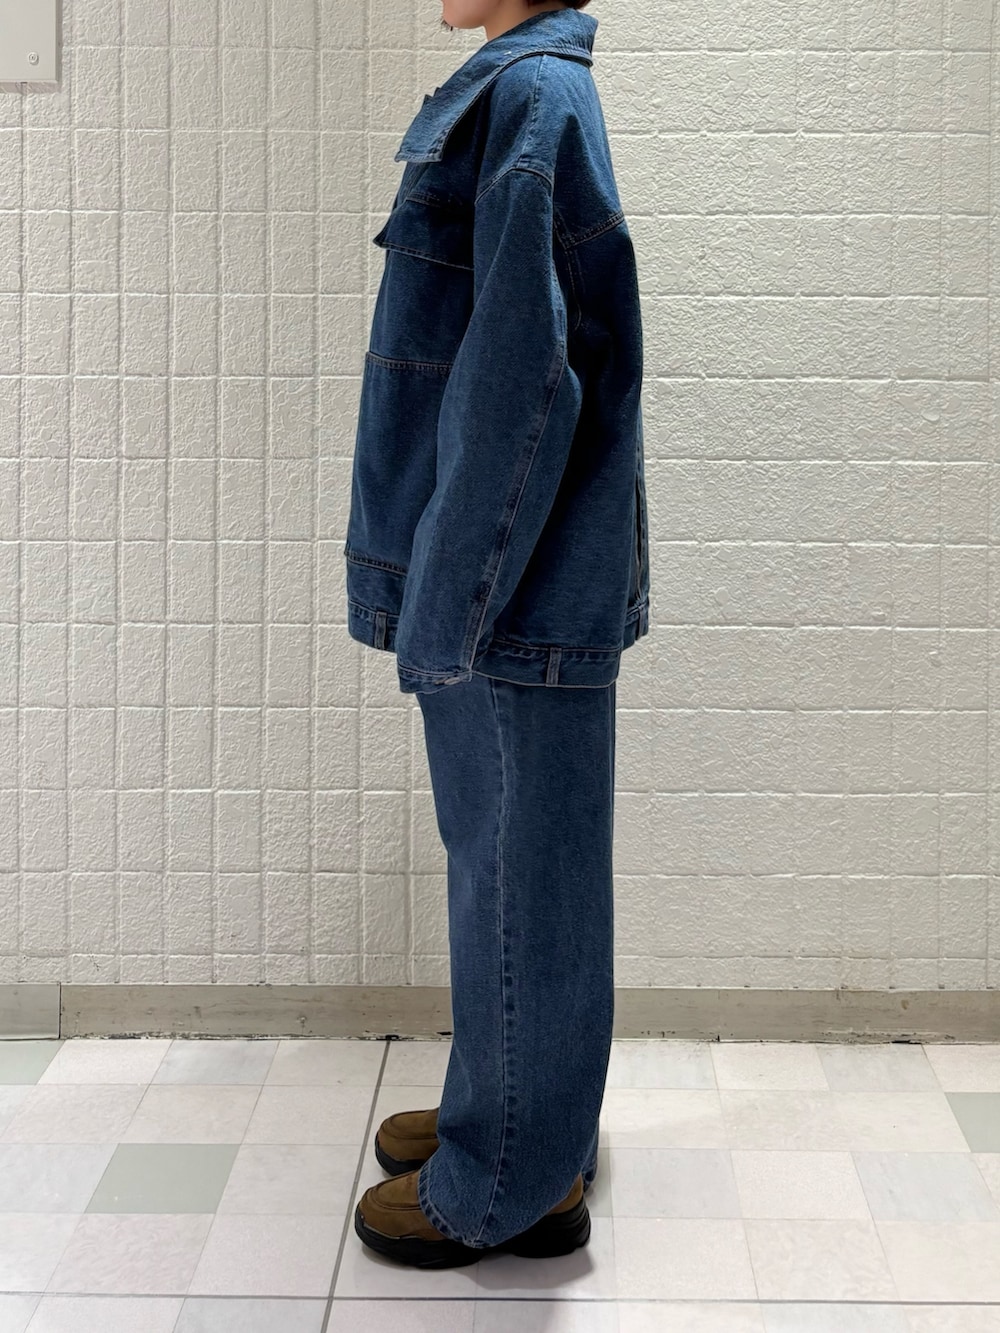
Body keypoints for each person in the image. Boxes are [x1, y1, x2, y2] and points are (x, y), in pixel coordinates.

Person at [347, 0, 649, 1270]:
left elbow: (523, 376)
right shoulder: (525, 92)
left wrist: (458, 595)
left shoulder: (528, 102)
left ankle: (510, 1182)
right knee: (516, 875)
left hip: (510, 586)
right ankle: (522, 1115)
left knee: (520, 884)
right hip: (522, 574)